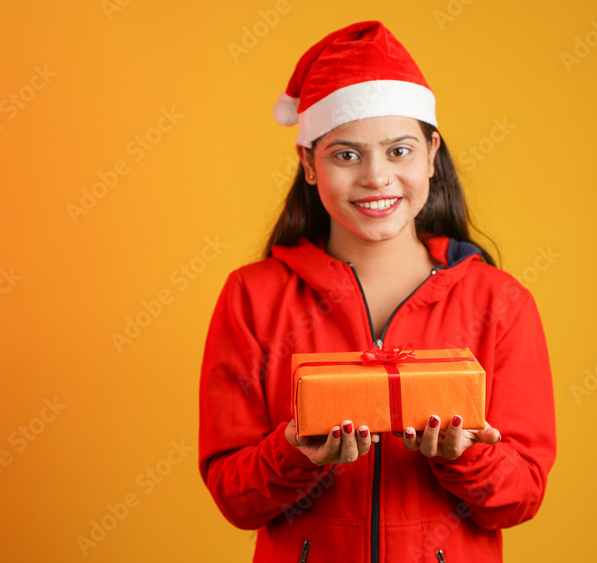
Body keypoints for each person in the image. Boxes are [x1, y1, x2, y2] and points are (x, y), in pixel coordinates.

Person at [199, 20, 557, 562]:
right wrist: (295, 453)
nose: (375, 177)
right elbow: (234, 497)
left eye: (399, 151)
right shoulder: (252, 297)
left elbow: (521, 496)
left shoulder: (500, 302)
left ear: (431, 154)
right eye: (346, 154)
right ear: (308, 164)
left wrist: (464, 458)